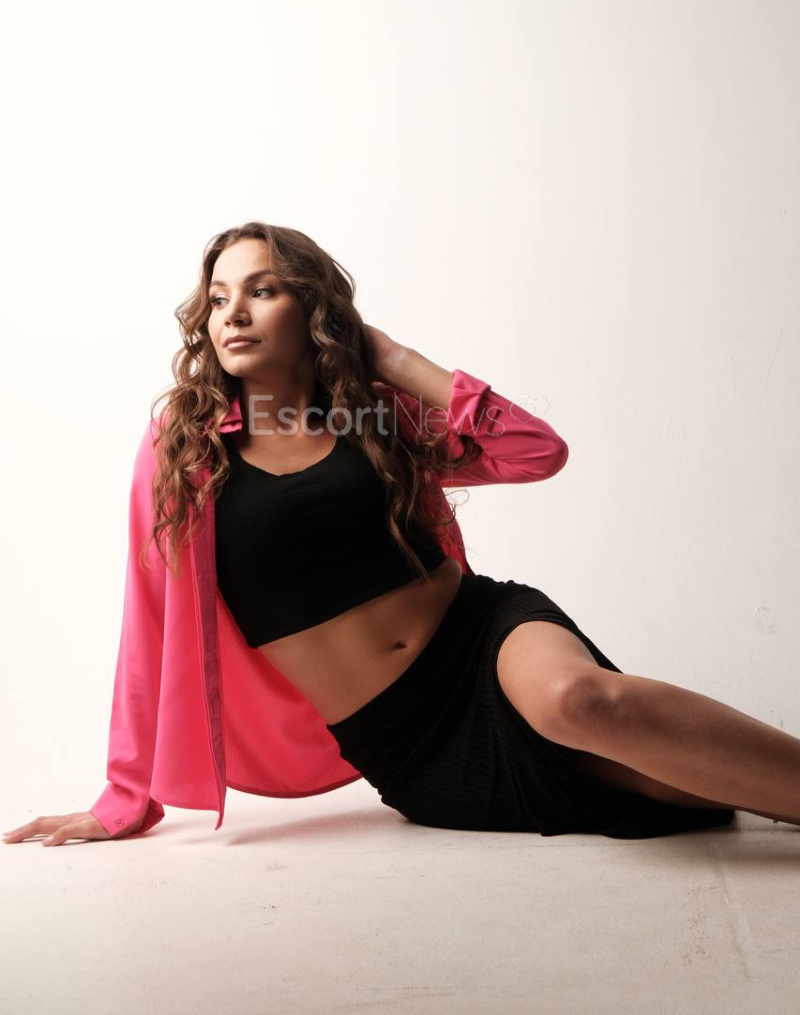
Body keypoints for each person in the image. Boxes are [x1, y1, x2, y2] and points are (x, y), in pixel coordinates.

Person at [4, 224, 798, 848]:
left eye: (262, 290)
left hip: (483, 635)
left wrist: (396, 359)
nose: (233, 313)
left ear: (312, 308)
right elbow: (147, 618)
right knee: (690, 790)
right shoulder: (186, 446)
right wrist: (125, 796)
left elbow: (536, 452)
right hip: (407, 739)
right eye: (217, 298)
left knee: (577, 699)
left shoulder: (375, 415)